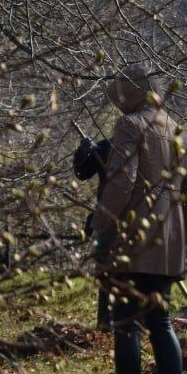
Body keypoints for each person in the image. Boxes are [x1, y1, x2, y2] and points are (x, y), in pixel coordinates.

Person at [91, 63, 187, 374]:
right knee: (161, 322)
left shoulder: (129, 125)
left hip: (132, 241)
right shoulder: (174, 128)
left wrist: (101, 222)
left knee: (126, 323)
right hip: (168, 245)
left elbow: (123, 180)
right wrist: (186, 232)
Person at [73, 132, 112, 329]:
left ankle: (134, 324)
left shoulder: (150, 146)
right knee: (106, 272)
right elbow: (82, 172)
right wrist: (83, 152)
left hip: (138, 220)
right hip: (108, 219)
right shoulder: (107, 147)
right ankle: (105, 324)